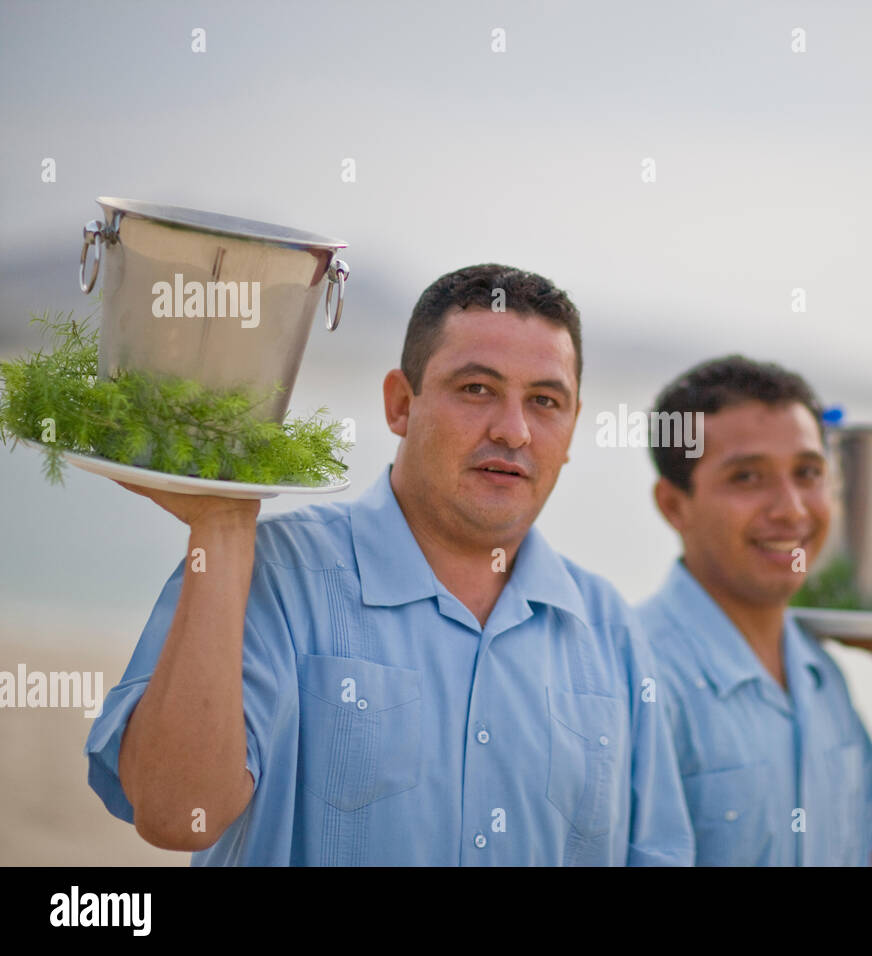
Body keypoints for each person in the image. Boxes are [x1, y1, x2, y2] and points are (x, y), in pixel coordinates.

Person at [84, 264, 694, 866]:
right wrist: (219, 522)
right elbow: (174, 813)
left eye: (544, 401)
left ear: (572, 427)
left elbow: (658, 855)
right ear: (400, 404)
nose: (514, 431)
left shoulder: (610, 628)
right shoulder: (270, 575)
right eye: (476, 389)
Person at [637, 356, 872, 866]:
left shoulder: (818, 672)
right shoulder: (637, 678)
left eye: (808, 473)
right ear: (675, 505)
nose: (792, 510)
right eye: (747, 477)